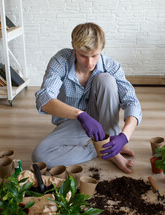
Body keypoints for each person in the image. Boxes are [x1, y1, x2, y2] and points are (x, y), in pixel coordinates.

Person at [32, 22, 142, 174]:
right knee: (40, 156)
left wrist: (124, 137)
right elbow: (43, 99)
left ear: (102, 49)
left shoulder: (111, 66)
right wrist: (81, 115)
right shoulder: (60, 61)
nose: (89, 63)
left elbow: (132, 102)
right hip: (72, 122)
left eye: (95, 55)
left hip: (103, 123)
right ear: (73, 46)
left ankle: (109, 143)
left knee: (106, 80)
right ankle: (103, 149)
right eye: (83, 55)